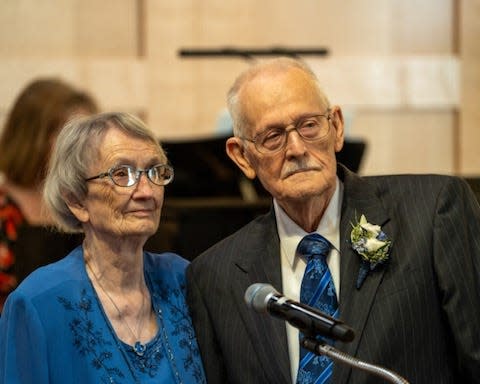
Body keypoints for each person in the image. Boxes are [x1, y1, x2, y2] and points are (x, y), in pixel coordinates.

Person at [186, 57, 480, 384]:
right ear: (242, 156)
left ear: (336, 127)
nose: (297, 148)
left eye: (309, 125)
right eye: (272, 136)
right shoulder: (215, 276)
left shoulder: (432, 210)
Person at [0, 112, 206, 383]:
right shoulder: (38, 303)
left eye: (155, 172)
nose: (147, 192)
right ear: (77, 201)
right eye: (121, 174)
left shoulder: (182, 279)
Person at [0, 78, 98, 311]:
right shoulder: (5, 212)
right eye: (71, 136)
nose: (83, 148)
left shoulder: (88, 203)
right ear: (33, 138)